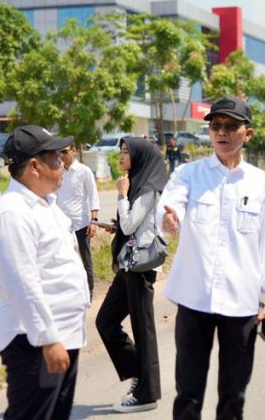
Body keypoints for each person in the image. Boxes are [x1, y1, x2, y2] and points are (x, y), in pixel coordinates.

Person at [157, 96, 265, 419]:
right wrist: (168, 218)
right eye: (216, 126)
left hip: (241, 303)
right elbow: (171, 203)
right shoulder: (190, 173)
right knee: (187, 393)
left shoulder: (261, 184)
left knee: (233, 395)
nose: (222, 132)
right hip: (194, 299)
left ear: (248, 134)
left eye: (231, 126)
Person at [0, 125, 89, 419]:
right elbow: (22, 283)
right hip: (34, 341)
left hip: (62, 334)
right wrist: (48, 340)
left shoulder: (47, 205)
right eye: (56, 157)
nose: (63, 163)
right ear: (34, 166)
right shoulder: (12, 212)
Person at [95, 137, 167, 413]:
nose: (121, 157)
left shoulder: (146, 188)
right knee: (105, 322)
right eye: (120, 151)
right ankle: (141, 375)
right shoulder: (138, 184)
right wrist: (119, 227)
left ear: (140, 157)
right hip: (128, 265)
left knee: (143, 330)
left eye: (126, 152)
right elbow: (129, 226)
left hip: (141, 268)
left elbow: (130, 221)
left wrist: (121, 195)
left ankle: (147, 393)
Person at [55, 143, 100, 298]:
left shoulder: (84, 171)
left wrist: (94, 220)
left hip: (81, 223)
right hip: (62, 225)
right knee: (65, 260)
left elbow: (93, 196)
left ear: (73, 151)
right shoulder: (58, 172)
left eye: (65, 151)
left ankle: (89, 292)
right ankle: (71, 292)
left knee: (85, 260)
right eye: (59, 152)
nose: (62, 155)